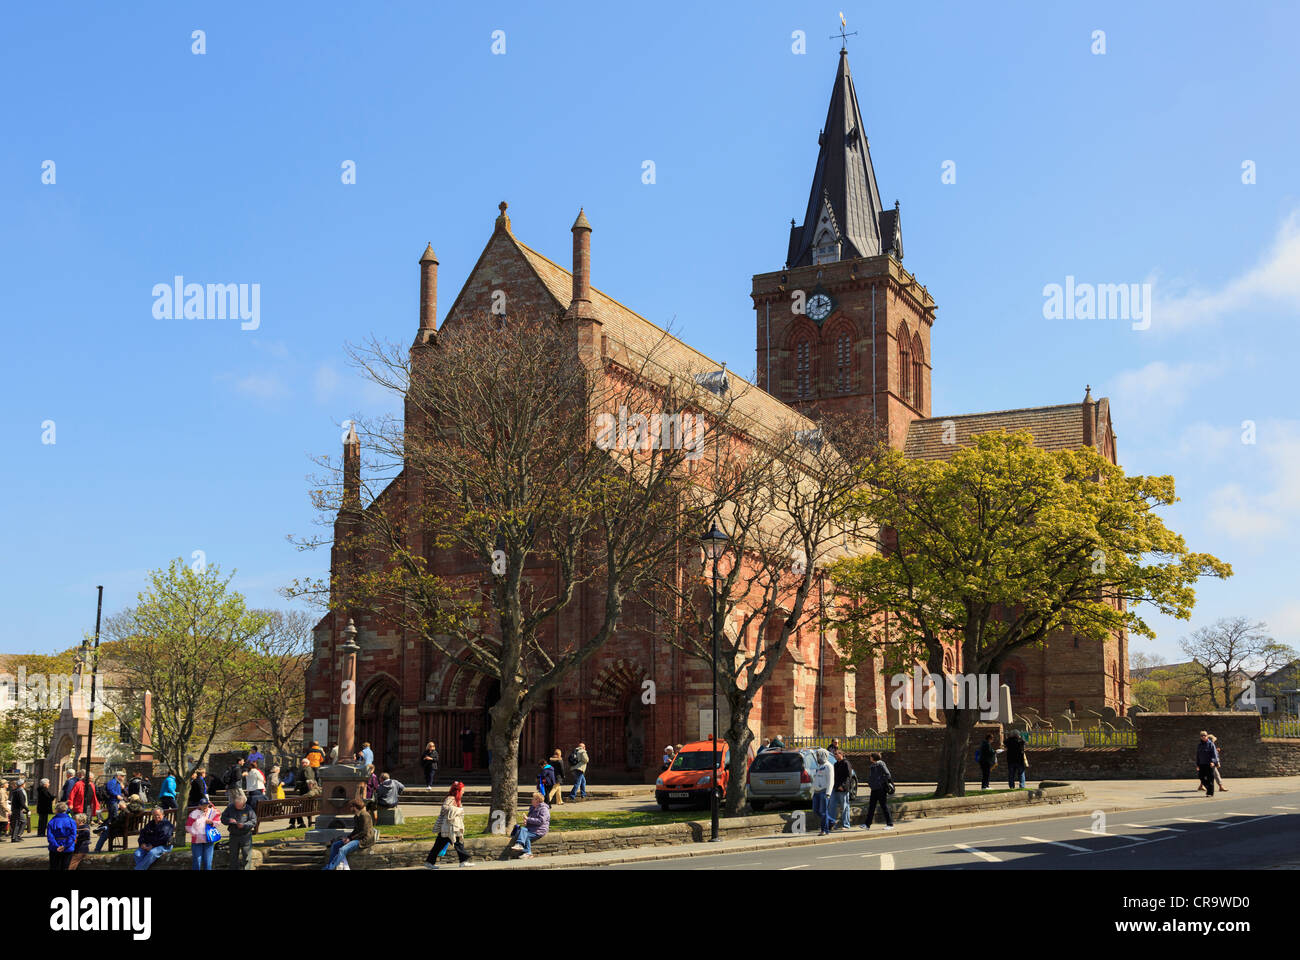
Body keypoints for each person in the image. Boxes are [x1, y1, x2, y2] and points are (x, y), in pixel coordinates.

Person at [424, 781, 472, 868]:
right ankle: (464, 861)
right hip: (449, 827)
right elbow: (444, 808)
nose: (464, 792)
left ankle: (429, 862)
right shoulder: (451, 798)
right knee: (458, 843)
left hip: (451, 827)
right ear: (458, 791)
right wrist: (459, 810)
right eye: (463, 790)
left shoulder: (456, 799)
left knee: (442, 845)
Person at [323, 798, 374, 870]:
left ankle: (329, 868)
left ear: (355, 807)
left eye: (351, 807)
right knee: (335, 845)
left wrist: (350, 839)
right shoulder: (356, 816)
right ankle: (329, 865)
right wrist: (348, 838)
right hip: (357, 838)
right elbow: (355, 830)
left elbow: (364, 832)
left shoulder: (365, 815)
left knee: (342, 850)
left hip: (364, 839)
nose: (349, 809)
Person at [221, 790, 258, 870]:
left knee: (246, 856)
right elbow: (223, 818)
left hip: (245, 835)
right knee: (233, 856)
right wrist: (229, 820)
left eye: (239, 806)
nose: (237, 807)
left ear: (243, 804)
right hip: (233, 835)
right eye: (236, 805)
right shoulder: (230, 807)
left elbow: (253, 821)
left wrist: (244, 825)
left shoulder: (249, 809)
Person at [508, 792, 550, 859]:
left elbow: (541, 821)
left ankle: (526, 851)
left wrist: (528, 819)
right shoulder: (532, 808)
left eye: (533, 799)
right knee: (522, 830)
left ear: (538, 800)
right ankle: (524, 849)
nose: (531, 800)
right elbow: (530, 820)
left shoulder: (544, 809)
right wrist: (526, 822)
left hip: (539, 830)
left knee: (525, 835)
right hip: (531, 828)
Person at [861, 752, 895, 830]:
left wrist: (879, 782)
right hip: (874, 789)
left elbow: (888, 775)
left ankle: (890, 824)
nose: (870, 758)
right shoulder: (873, 765)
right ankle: (867, 825)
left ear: (873, 757)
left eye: (870, 757)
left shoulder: (881, 764)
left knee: (884, 806)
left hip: (881, 789)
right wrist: (870, 782)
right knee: (871, 807)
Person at [187, 797, 220, 870]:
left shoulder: (213, 812)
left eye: (206, 805)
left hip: (209, 840)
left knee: (208, 862)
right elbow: (188, 826)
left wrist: (212, 822)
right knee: (197, 862)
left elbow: (218, 822)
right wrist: (195, 834)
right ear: (199, 805)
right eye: (203, 805)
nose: (205, 806)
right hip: (197, 841)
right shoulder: (194, 813)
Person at [289, 758, 317, 829]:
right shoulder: (308, 770)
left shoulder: (307, 770)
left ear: (307, 763)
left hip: (306, 794)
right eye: (302, 763)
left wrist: (299, 784)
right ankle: (301, 823)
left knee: (296, 809)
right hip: (307, 799)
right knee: (298, 809)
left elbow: (308, 780)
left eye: (304, 763)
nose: (302, 764)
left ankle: (298, 824)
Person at [47, 803, 76, 870]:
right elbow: (73, 835)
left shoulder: (52, 821)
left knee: (54, 867)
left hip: (54, 848)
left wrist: (57, 846)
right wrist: (65, 845)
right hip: (68, 848)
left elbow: (50, 836)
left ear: (56, 810)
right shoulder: (71, 821)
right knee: (65, 867)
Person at [831, 748, 854, 830]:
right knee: (831, 806)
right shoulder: (836, 764)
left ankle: (846, 825)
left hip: (843, 788)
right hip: (835, 787)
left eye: (836, 754)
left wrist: (843, 786)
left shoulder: (846, 763)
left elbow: (849, 776)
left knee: (844, 807)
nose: (835, 756)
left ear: (841, 754)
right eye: (834, 754)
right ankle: (831, 824)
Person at [813, 748, 834, 835]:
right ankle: (831, 821)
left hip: (824, 792)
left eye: (818, 755)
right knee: (816, 810)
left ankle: (824, 830)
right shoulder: (819, 766)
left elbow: (831, 780)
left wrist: (828, 793)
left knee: (823, 811)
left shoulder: (828, 766)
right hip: (816, 792)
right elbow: (816, 779)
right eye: (817, 755)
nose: (817, 757)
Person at [1196, 730, 1220, 797]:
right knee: (1201, 777)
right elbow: (1198, 755)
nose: (1203, 737)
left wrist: (1213, 761)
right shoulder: (1199, 745)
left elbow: (1214, 754)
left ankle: (1210, 793)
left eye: (1205, 735)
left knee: (1210, 778)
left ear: (1207, 736)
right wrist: (1197, 764)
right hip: (1201, 764)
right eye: (1202, 736)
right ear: (1200, 737)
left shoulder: (1211, 744)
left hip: (1209, 764)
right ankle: (1209, 788)